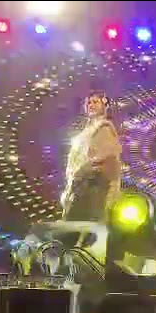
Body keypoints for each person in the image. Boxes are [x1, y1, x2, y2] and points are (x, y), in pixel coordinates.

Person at [61, 90, 122, 223]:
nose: (91, 105)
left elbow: (107, 159)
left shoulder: (104, 127)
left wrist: (82, 172)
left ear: (104, 105)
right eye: (89, 102)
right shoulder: (85, 131)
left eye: (95, 102)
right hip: (77, 187)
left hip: (92, 188)